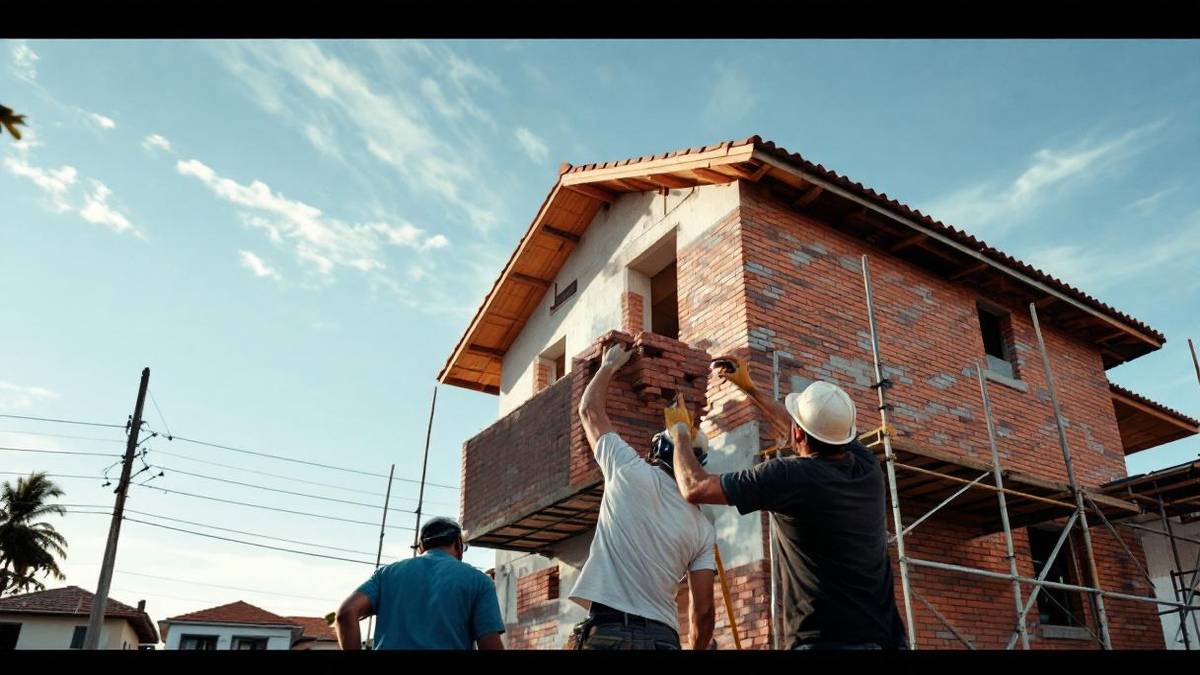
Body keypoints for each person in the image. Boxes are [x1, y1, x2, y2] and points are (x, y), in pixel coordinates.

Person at [666, 355, 908, 650]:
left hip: (824, 642)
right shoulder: (867, 467)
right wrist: (751, 389)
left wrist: (678, 435)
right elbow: (807, 431)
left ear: (798, 433)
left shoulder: (791, 476)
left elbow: (695, 487)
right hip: (887, 640)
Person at [569, 342, 716, 650]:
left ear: (653, 451)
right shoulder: (703, 528)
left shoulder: (627, 469)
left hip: (608, 631)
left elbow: (589, 410)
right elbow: (703, 611)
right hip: (664, 638)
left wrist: (609, 364)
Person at [334, 517, 505, 650]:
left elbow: (347, 612)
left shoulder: (387, 574)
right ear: (459, 544)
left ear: (421, 547)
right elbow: (489, 644)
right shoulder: (479, 581)